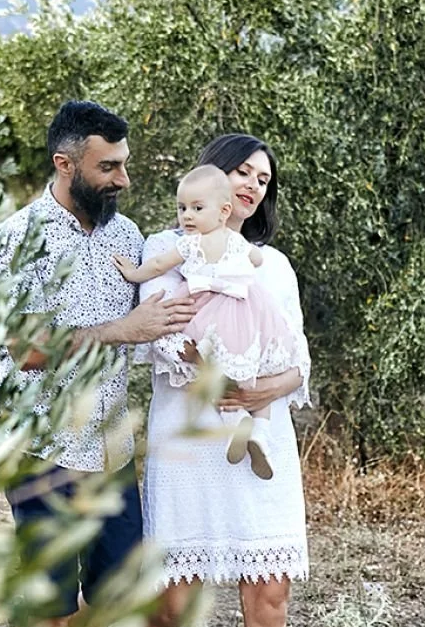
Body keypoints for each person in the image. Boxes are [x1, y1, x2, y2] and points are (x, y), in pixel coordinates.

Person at [0, 100, 197, 627]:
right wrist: (119, 331)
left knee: (120, 598)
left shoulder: (126, 237)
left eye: (125, 166)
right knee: (51, 604)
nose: (123, 180)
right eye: (109, 167)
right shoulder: (17, 237)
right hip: (42, 450)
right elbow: (24, 347)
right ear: (65, 163)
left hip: (109, 452)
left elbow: (148, 333)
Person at [132, 134, 311, 627]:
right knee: (170, 604)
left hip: (260, 440)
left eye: (263, 180)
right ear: (210, 173)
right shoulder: (166, 248)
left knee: (269, 600)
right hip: (188, 444)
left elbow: (299, 365)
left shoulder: (273, 265)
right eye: (242, 171)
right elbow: (152, 340)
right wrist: (206, 363)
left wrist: (266, 390)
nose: (252, 186)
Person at [112, 165, 301, 480]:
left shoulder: (191, 244)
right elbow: (257, 261)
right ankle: (260, 432)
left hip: (209, 313)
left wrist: (133, 273)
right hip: (248, 313)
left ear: (223, 211)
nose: (187, 216)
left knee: (218, 371)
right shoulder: (237, 243)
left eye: (197, 209)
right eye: (182, 208)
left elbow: (158, 265)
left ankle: (238, 423)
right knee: (252, 370)